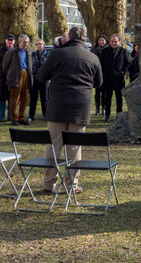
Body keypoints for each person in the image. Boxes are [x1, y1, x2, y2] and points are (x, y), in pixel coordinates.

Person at [37, 25, 103, 194]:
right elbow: (99, 83)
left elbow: (41, 76)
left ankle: (48, 183)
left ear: (68, 38)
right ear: (84, 38)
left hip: (57, 106)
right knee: (74, 147)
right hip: (80, 107)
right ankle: (71, 185)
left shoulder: (57, 54)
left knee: (53, 146)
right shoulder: (92, 57)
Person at [98, 34, 130, 122]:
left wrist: (123, 72)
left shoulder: (123, 51)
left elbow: (127, 63)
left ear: (119, 42)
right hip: (108, 78)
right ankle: (107, 115)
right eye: (112, 41)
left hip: (119, 78)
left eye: (115, 41)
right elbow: (101, 63)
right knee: (107, 98)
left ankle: (119, 116)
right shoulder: (105, 51)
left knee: (119, 98)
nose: (114, 43)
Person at [3, 34, 32, 126]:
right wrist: (10, 75)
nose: (26, 44)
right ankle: (13, 118)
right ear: (19, 42)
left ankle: (21, 117)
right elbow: (5, 67)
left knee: (24, 98)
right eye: (24, 42)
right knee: (14, 98)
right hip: (15, 76)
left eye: (27, 42)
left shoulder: (28, 52)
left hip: (26, 75)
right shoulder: (11, 52)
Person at [0, 34, 15, 121]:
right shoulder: (0, 51)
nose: (10, 42)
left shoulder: (16, 51)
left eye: (11, 40)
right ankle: (1, 117)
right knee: (2, 99)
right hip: (2, 78)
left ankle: (10, 116)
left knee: (11, 98)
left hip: (12, 79)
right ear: (6, 41)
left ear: (14, 41)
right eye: (8, 40)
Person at [29, 39, 48, 121]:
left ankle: (45, 115)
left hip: (44, 79)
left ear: (43, 45)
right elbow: (30, 66)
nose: (38, 46)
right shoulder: (33, 54)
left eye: (40, 44)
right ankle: (31, 115)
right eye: (37, 44)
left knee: (45, 98)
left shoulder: (48, 54)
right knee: (33, 98)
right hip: (35, 78)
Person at [90, 34, 108, 115]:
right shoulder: (94, 50)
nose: (101, 42)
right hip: (96, 73)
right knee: (97, 92)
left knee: (104, 92)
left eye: (103, 40)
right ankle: (97, 108)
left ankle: (103, 107)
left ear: (105, 41)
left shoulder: (108, 49)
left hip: (105, 73)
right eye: (100, 40)